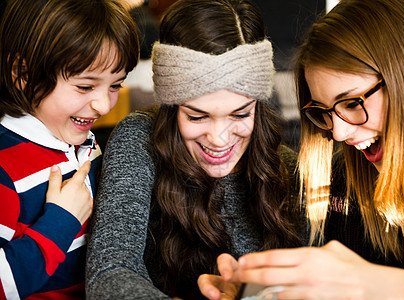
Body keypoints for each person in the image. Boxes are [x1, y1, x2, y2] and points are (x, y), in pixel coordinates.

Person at [198, 0, 404, 299]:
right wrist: (259, 290)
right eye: (324, 112)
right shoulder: (343, 183)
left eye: (353, 103)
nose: (339, 133)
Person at [85, 0, 305, 299]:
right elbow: (108, 271)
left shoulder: (288, 169)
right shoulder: (139, 138)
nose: (218, 138)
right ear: (172, 108)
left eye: (240, 114)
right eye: (197, 116)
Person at [0, 0, 139, 298]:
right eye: (85, 87)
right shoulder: (5, 167)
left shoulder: (83, 140)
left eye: (115, 85)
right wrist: (61, 222)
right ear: (23, 74)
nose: (103, 105)